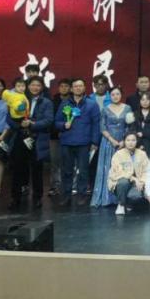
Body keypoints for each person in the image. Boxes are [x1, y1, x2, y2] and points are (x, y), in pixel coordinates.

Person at [8, 76, 53, 210]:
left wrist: (32, 124)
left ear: (42, 87)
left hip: (37, 139)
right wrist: (19, 125)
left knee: (37, 170)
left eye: (38, 85)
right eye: (32, 85)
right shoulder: (19, 98)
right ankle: (15, 198)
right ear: (28, 86)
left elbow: (49, 120)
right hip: (20, 137)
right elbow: (8, 118)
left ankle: (37, 198)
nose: (35, 87)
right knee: (17, 169)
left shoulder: (46, 102)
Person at [54, 78, 100, 207]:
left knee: (83, 171)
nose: (78, 88)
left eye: (80, 86)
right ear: (71, 89)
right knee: (66, 171)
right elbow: (56, 122)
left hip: (84, 143)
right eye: (75, 86)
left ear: (84, 88)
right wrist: (63, 125)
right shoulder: (65, 104)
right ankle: (66, 195)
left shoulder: (92, 104)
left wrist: (95, 141)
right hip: (67, 142)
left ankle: (82, 194)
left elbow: (96, 124)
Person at [91, 86, 133, 208]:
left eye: (118, 94)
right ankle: (107, 198)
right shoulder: (105, 109)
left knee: (123, 169)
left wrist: (124, 141)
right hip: (108, 142)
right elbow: (102, 127)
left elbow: (130, 126)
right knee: (108, 168)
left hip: (124, 142)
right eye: (113, 94)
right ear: (110, 96)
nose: (115, 96)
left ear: (121, 95)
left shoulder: (127, 108)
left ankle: (122, 198)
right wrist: (112, 140)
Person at [108, 131, 149, 215]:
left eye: (133, 140)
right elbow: (117, 172)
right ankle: (121, 204)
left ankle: (129, 203)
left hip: (137, 183)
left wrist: (142, 181)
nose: (130, 143)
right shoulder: (118, 154)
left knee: (135, 196)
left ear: (137, 141)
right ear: (124, 141)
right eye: (128, 140)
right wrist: (133, 178)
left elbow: (147, 170)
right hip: (121, 182)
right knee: (123, 182)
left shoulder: (142, 154)